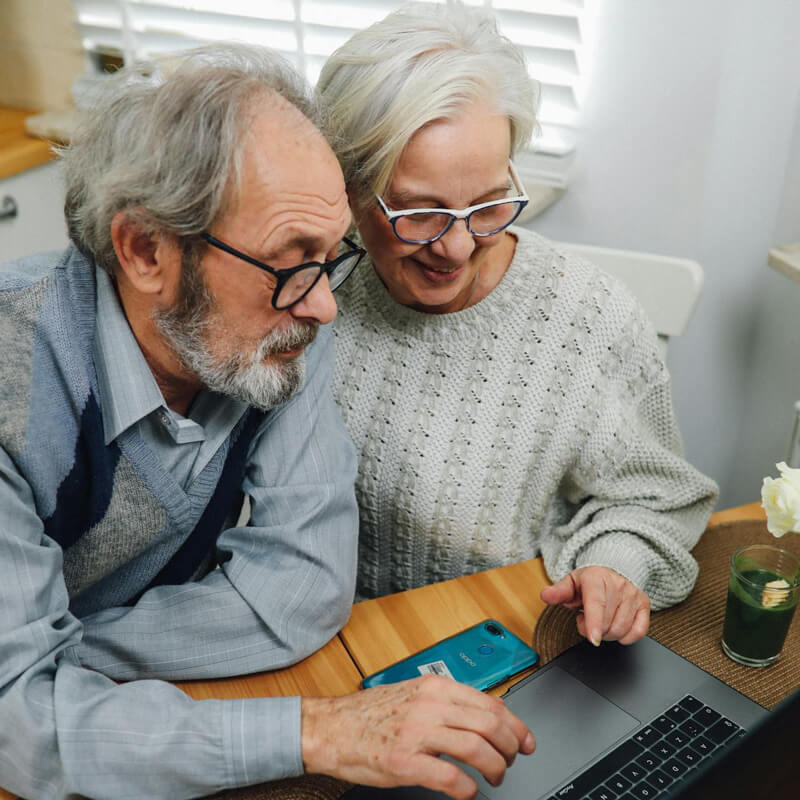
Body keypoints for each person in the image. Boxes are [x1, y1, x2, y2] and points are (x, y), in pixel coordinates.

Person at [0, 44, 534, 800]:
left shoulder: (276, 333)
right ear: (145, 248)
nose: (323, 305)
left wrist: (64, 652)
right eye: (289, 263)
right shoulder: (10, 382)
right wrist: (313, 732)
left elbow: (303, 592)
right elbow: (23, 729)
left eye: (329, 257)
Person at [318, 4, 719, 647]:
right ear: (349, 189)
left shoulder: (589, 319)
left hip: (508, 639)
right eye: (419, 214)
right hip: (331, 639)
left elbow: (656, 498)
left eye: (487, 204)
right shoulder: (310, 290)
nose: (454, 248)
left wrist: (612, 568)